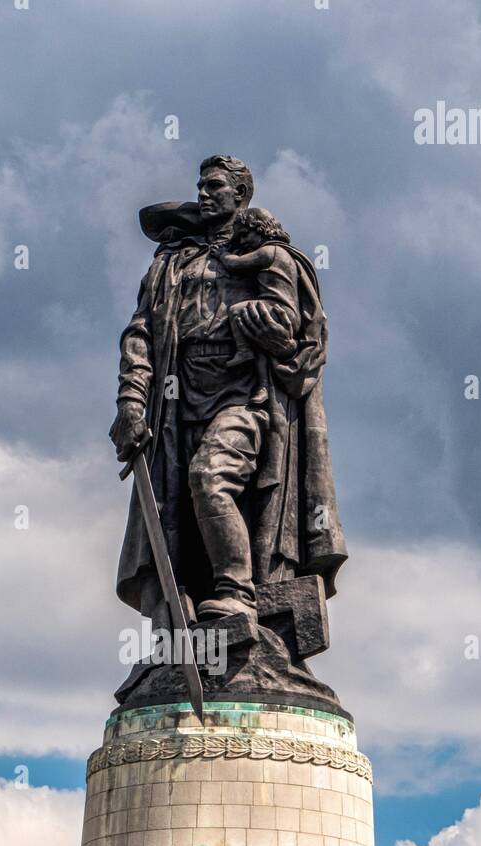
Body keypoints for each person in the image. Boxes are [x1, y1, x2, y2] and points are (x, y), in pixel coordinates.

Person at [110, 154, 347, 633]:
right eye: (200, 185)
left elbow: (303, 336)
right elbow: (142, 335)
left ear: (241, 195)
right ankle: (192, 616)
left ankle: (237, 594)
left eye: (215, 185)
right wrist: (131, 402)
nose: (203, 193)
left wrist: (270, 332)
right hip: (176, 404)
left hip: (245, 393)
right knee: (178, 514)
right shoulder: (172, 262)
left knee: (210, 476)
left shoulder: (268, 253)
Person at [217, 207, 294, 403]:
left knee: (236, 311)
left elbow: (234, 264)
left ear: (261, 229)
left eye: (244, 235)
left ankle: (243, 350)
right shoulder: (286, 254)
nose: (242, 242)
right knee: (259, 342)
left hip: (276, 309)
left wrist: (223, 255)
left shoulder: (268, 252)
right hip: (284, 312)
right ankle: (263, 387)